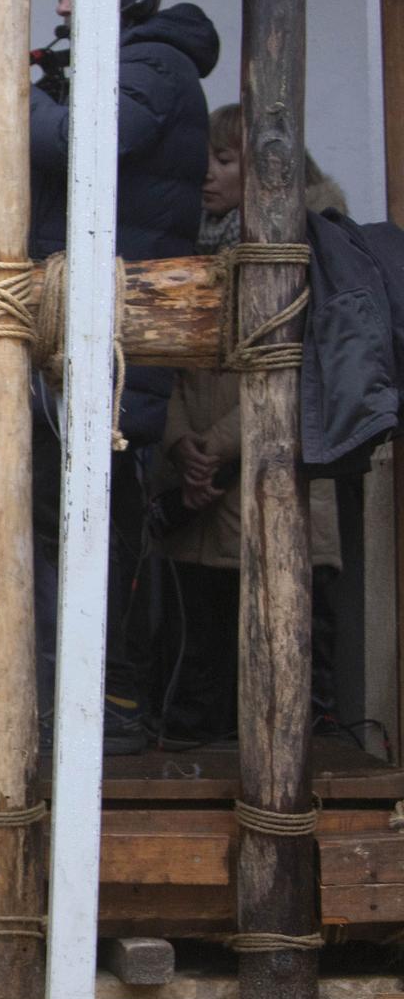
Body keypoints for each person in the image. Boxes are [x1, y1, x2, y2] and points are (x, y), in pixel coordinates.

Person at [29, 0, 220, 753]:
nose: (65, 3)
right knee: (77, 523)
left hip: (116, 339)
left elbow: (86, 146)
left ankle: (116, 707)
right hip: (94, 335)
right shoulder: (133, 64)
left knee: (101, 526)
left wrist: (17, 95)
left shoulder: (155, 65)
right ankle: (93, 700)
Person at [154, 104, 344, 742]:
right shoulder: (189, 248)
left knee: (280, 674)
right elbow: (171, 362)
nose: (206, 175)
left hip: (274, 487)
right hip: (202, 494)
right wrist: (182, 445)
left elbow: (297, 364)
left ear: (264, 174)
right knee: (201, 671)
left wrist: (213, 445)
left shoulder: (311, 247)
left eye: (224, 161)